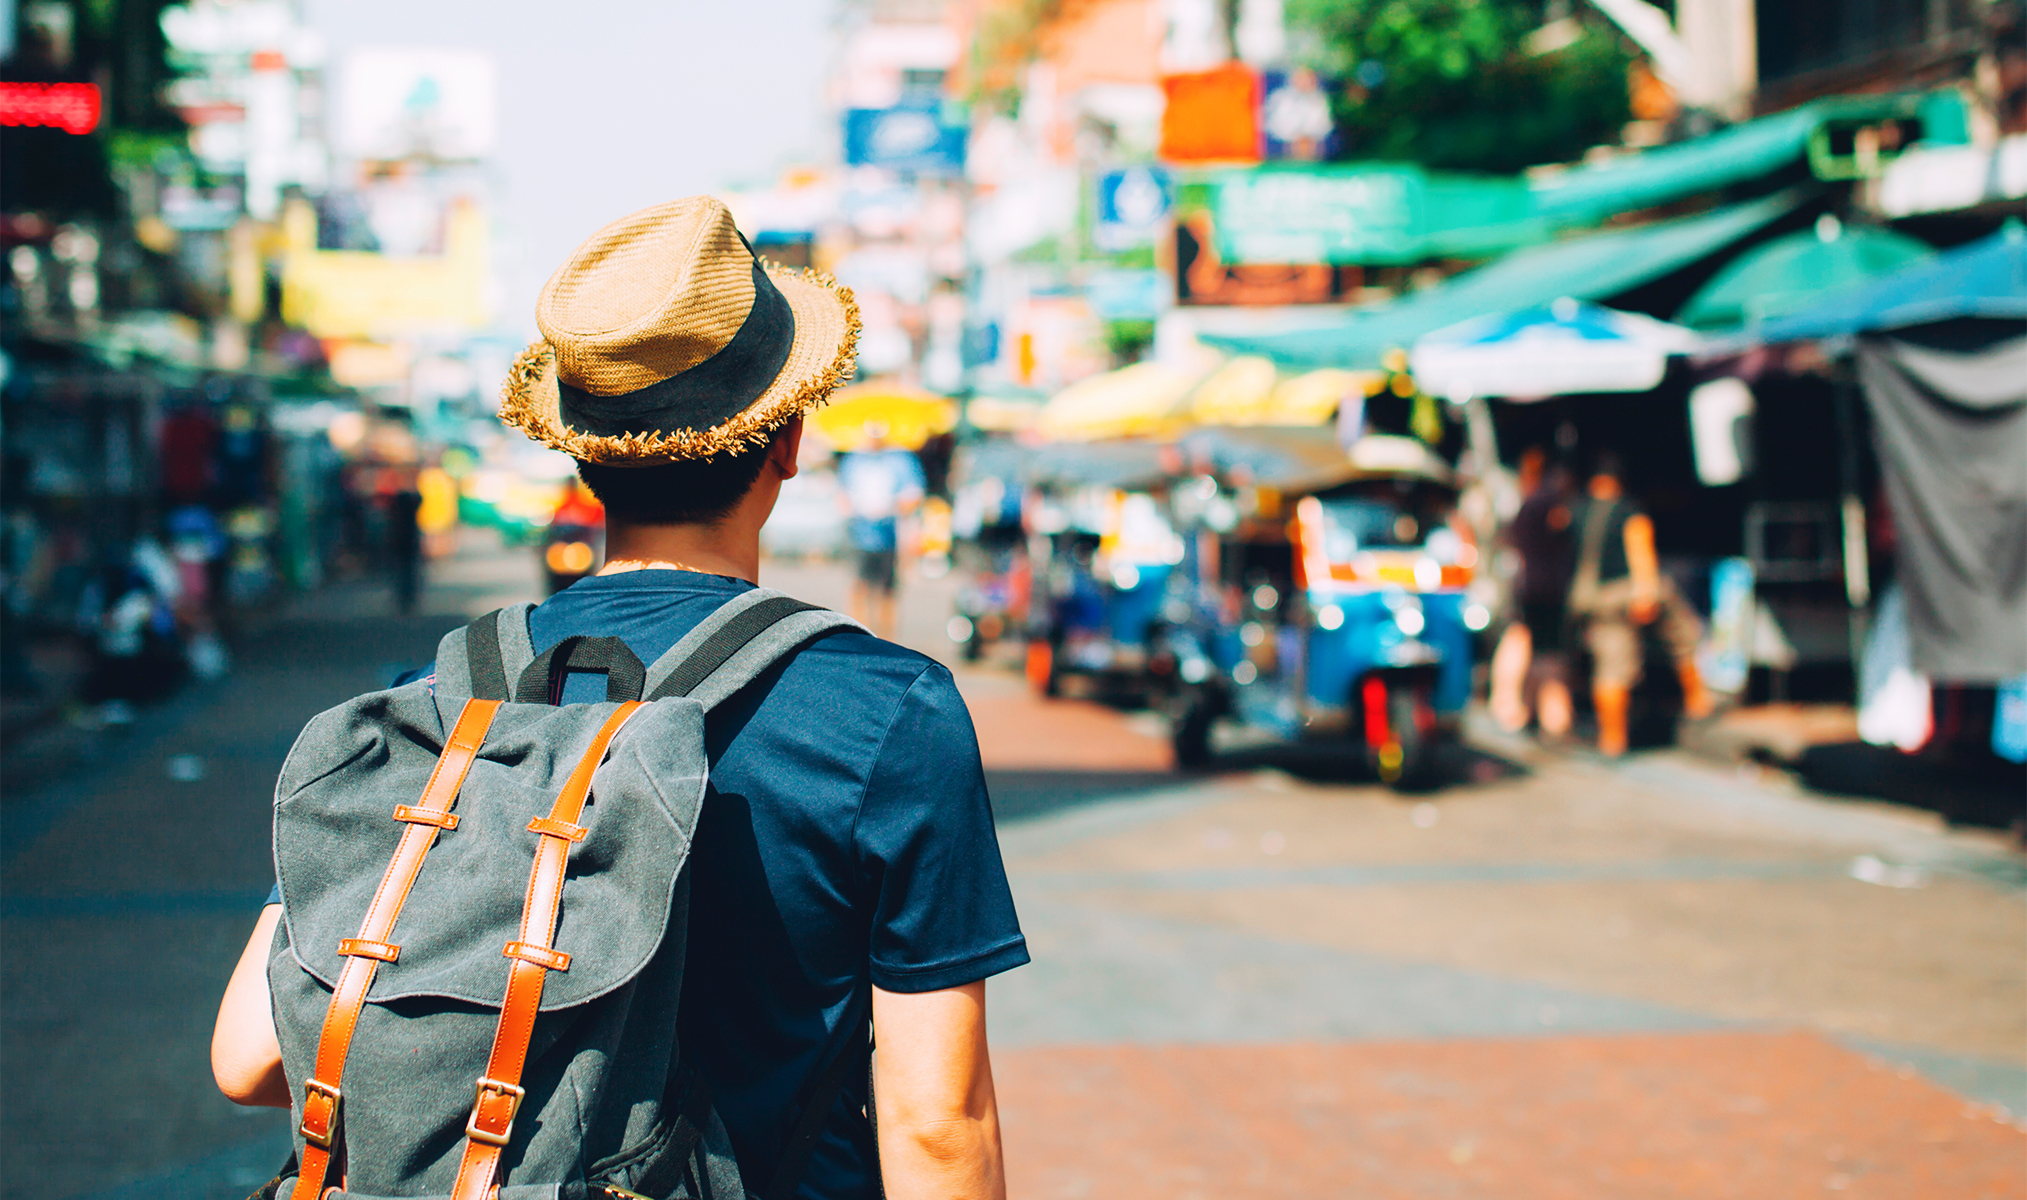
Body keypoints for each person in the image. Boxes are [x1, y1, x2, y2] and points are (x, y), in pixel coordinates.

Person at [211, 197, 1025, 1200]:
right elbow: (937, 1125)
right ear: (788, 439)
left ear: (582, 452)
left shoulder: (433, 704)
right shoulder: (887, 713)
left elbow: (249, 1055)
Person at [1567, 452, 1714, 756]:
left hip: (1593, 599)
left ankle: (1612, 739)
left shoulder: (1576, 511)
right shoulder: (1628, 509)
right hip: (1627, 591)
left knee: (1610, 665)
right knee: (1683, 635)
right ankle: (1697, 700)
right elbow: (1641, 548)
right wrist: (1646, 590)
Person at [1489, 447, 1576, 737]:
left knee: (1529, 645)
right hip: (1545, 589)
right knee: (1544, 651)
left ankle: (1521, 707)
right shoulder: (1546, 504)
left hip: (1526, 586)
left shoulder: (1524, 504)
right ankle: (1549, 715)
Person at [837, 423, 924, 640]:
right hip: (860, 533)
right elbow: (841, 494)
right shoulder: (854, 460)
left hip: (889, 536)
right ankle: (858, 639)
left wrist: (891, 506)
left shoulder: (900, 460)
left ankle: (886, 640)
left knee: (887, 592)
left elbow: (915, 494)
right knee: (859, 587)